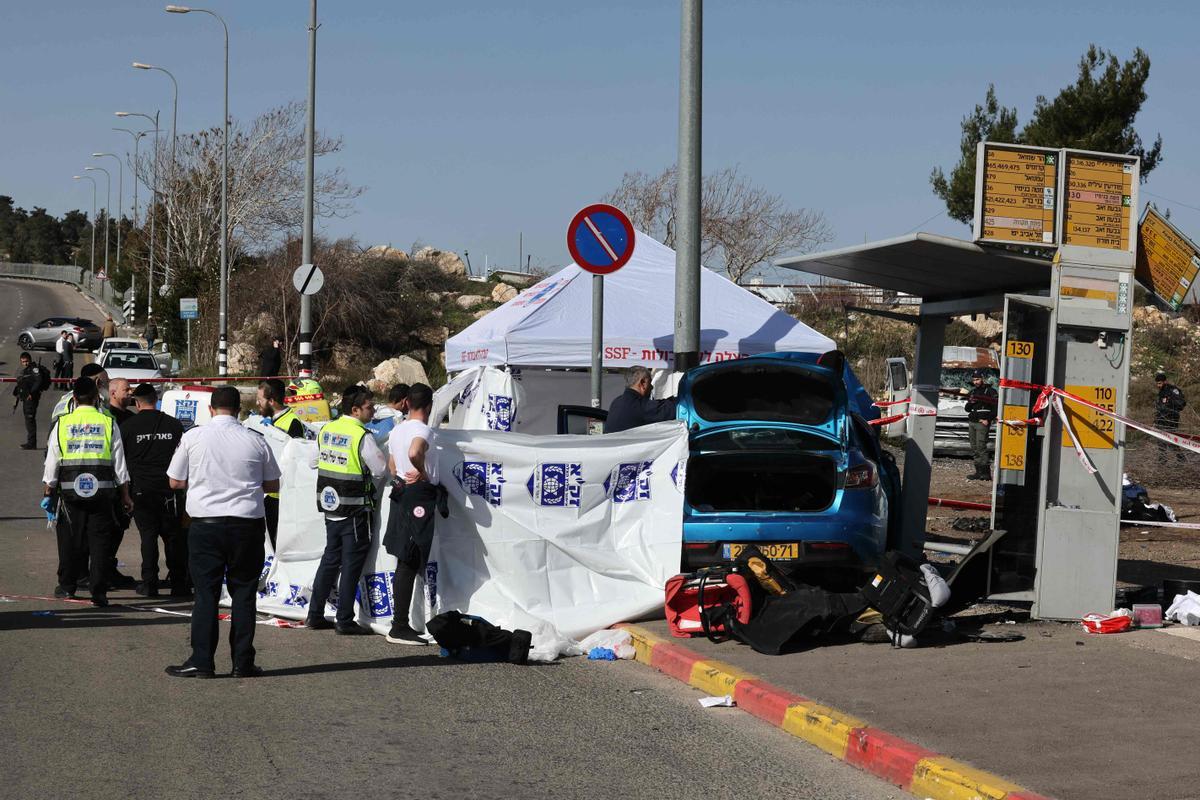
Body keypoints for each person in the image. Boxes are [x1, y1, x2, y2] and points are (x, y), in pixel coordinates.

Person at [165, 386, 281, 679]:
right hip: (247, 526)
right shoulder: (256, 440)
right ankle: (242, 662)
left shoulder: (193, 437)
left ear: (210, 409)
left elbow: (175, 481)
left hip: (206, 526)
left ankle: (202, 660)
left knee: (206, 594)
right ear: (239, 409)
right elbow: (272, 485)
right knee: (244, 594)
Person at [43, 377, 133, 606]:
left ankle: (67, 586)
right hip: (103, 494)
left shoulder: (62, 424)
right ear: (96, 398)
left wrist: (48, 493)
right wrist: (125, 495)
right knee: (100, 543)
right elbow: (119, 464)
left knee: (69, 541)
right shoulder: (108, 423)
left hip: (70, 494)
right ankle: (99, 592)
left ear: (73, 398)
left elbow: (52, 462)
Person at [307, 385, 387, 635]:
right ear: (355, 409)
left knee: (330, 560)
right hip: (354, 510)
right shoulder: (361, 435)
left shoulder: (327, 429)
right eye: (369, 406)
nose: (373, 410)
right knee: (352, 564)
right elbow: (380, 469)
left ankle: (315, 614)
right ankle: (344, 620)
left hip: (331, 507)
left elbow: (312, 461)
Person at [383, 382, 438, 645]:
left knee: (405, 558)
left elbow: (392, 466)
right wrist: (424, 472)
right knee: (409, 559)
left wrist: (406, 474)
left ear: (407, 403)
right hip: (418, 497)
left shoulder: (397, 430)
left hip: (401, 493)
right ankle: (399, 625)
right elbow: (415, 451)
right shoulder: (422, 429)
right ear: (428, 405)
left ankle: (401, 623)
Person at [121, 383, 187, 597]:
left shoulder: (128, 427)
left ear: (137, 403)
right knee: (174, 538)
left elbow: (120, 461)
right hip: (171, 491)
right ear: (156, 400)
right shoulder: (174, 425)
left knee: (148, 538)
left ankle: (149, 583)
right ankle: (179, 583)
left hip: (141, 491)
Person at [255, 378, 306, 549]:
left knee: (277, 543)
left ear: (271, 401)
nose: (257, 403)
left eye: (260, 400)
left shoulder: (292, 422)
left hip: (280, 497)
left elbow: (296, 460)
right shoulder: (268, 419)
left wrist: (275, 432)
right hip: (266, 493)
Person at [604, 366, 677, 433]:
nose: (652, 387)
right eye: (650, 383)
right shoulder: (640, 406)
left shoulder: (616, 402)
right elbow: (675, 408)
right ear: (642, 383)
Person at [964, 370, 998, 480]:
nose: (976, 382)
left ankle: (986, 473)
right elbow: (967, 409)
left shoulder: (990, 391)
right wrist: (971, 402)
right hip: (972, 422)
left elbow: (995, 408)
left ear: (982, 379)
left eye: (977, 379)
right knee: (974, 448)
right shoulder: (973, 392)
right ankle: (978, 472)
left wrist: (988, 419)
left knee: (981, 447)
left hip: (982, 423)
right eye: (974, 380)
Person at [14, 352, 46, 450]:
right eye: (23, 362)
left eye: (26, 361)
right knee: (28, 420)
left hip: (32, 399)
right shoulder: (26, 370)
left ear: (30, 360)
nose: (25, 363)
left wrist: (31, 393)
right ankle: (31, 442)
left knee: (30, 420)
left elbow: (39, 380)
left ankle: (32, 443)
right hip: (26, 399)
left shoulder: (33, 369)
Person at [1155, 372, 1187, 459]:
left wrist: (1171, 404)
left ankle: (1181, 458)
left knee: (1171, 440)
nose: (1158, 385)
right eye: (1157, 383)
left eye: (1160, 383)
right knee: (1160, 440)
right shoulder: (1161, 392)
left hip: (1171, 420)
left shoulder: (1173, 390)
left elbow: (1182, 403)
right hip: (1161, 420)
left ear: (1165, 381)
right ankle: (1162, 460)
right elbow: (1159, 406)